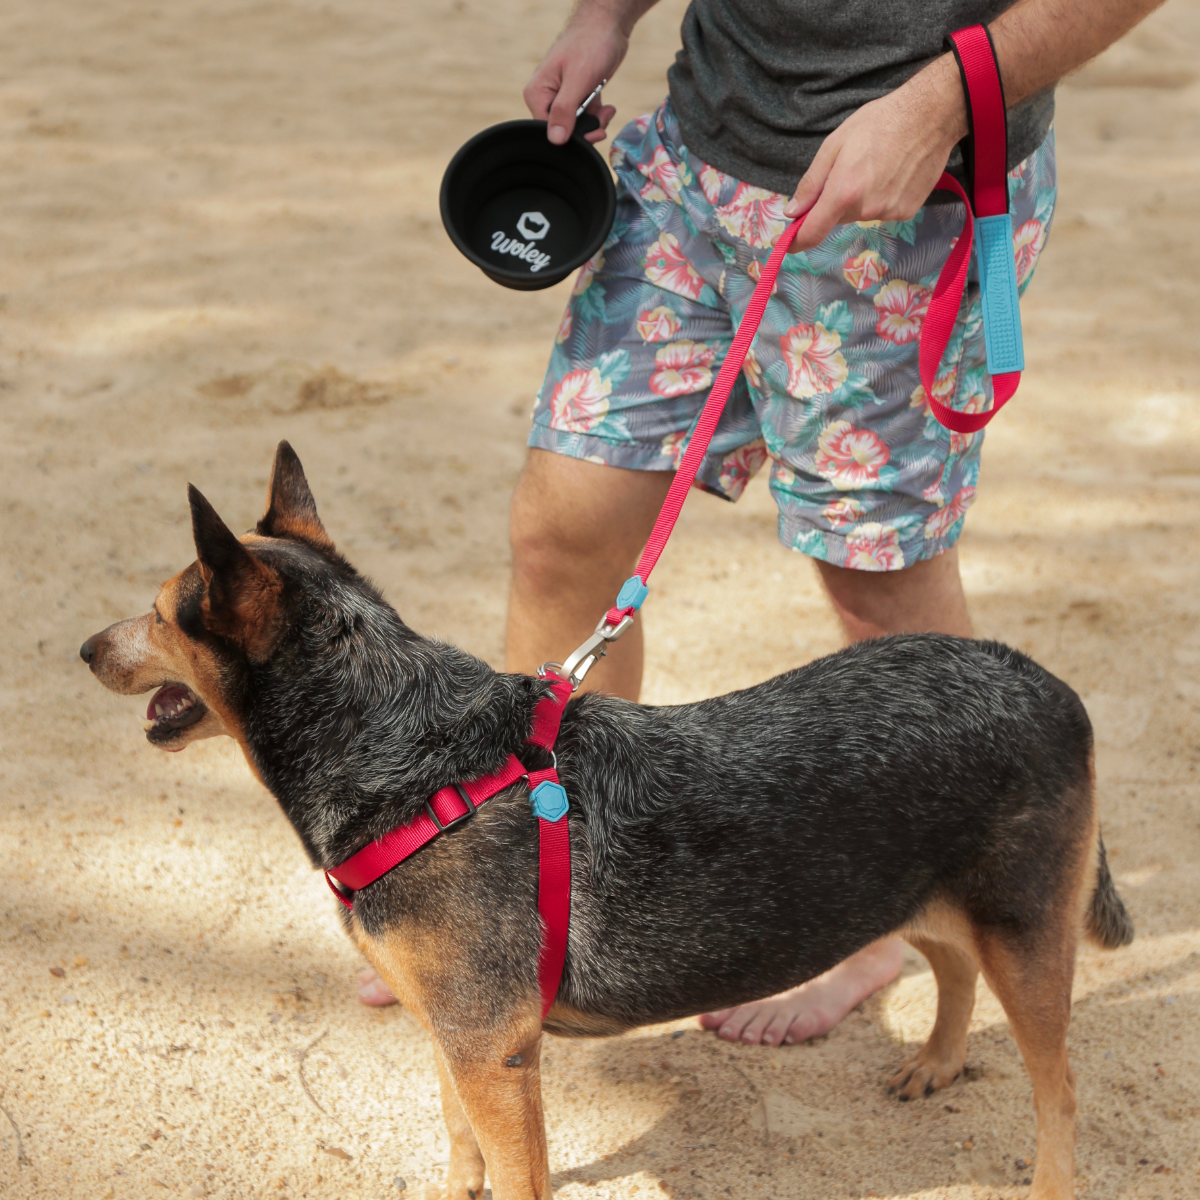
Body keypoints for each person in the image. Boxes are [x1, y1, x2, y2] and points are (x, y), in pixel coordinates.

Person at [360, 0, 1163, 1044]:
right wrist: (606, 15)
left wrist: (939, 104)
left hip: (907, 199)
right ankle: (533, 899)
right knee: (562, 531)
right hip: (693, 168)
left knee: (879, 587)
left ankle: (892, 912)